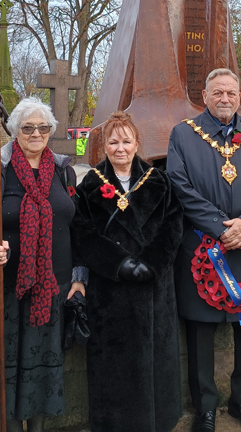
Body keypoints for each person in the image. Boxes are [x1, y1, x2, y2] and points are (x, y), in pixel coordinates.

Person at [0, 97, 85, 432]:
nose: (36, 133)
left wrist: (79, 277)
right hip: (6, 293)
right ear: (15, 131)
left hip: (51, 293)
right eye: (28, 127)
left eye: (43, 127)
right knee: (7, 375)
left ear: (51, 131)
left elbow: (79, 228)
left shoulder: (63, 171)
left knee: (41, 375)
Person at [167, 68, 241, 432]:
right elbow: (179, 185)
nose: (225, 99)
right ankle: (205, 409)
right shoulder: (183, 134)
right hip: (203, 249)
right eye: (218, 92)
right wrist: (219, 227)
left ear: (239, 96)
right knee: (200, 333)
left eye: (231, 93)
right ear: (205, 95)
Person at [72, 110, 184, 432]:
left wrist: (150, 263)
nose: (120, 148)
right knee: (114, 367)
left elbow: (173, 225)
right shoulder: (90, 186)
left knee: (155, 362)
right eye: (113, 142)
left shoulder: (159, 181)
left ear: (137, 143)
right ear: (104, 145)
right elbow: (83, 234)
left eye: (126, 141)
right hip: (110, 294)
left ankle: (158, 422)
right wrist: (120, 264)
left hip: (153, 289)